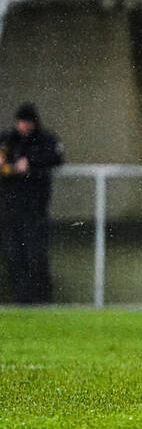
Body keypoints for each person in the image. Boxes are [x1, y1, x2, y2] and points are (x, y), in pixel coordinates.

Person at [0, 103, 64, 304]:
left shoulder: (45, 140)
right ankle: (21, 299)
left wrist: (31, 162)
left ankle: (40, 300)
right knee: (13, 256)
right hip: (9, 209)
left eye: (28, 122)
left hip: (35, 209)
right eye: (21, 122)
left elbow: (57, 157)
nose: (24, 126)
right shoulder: (7, 139)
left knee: (35, 255)